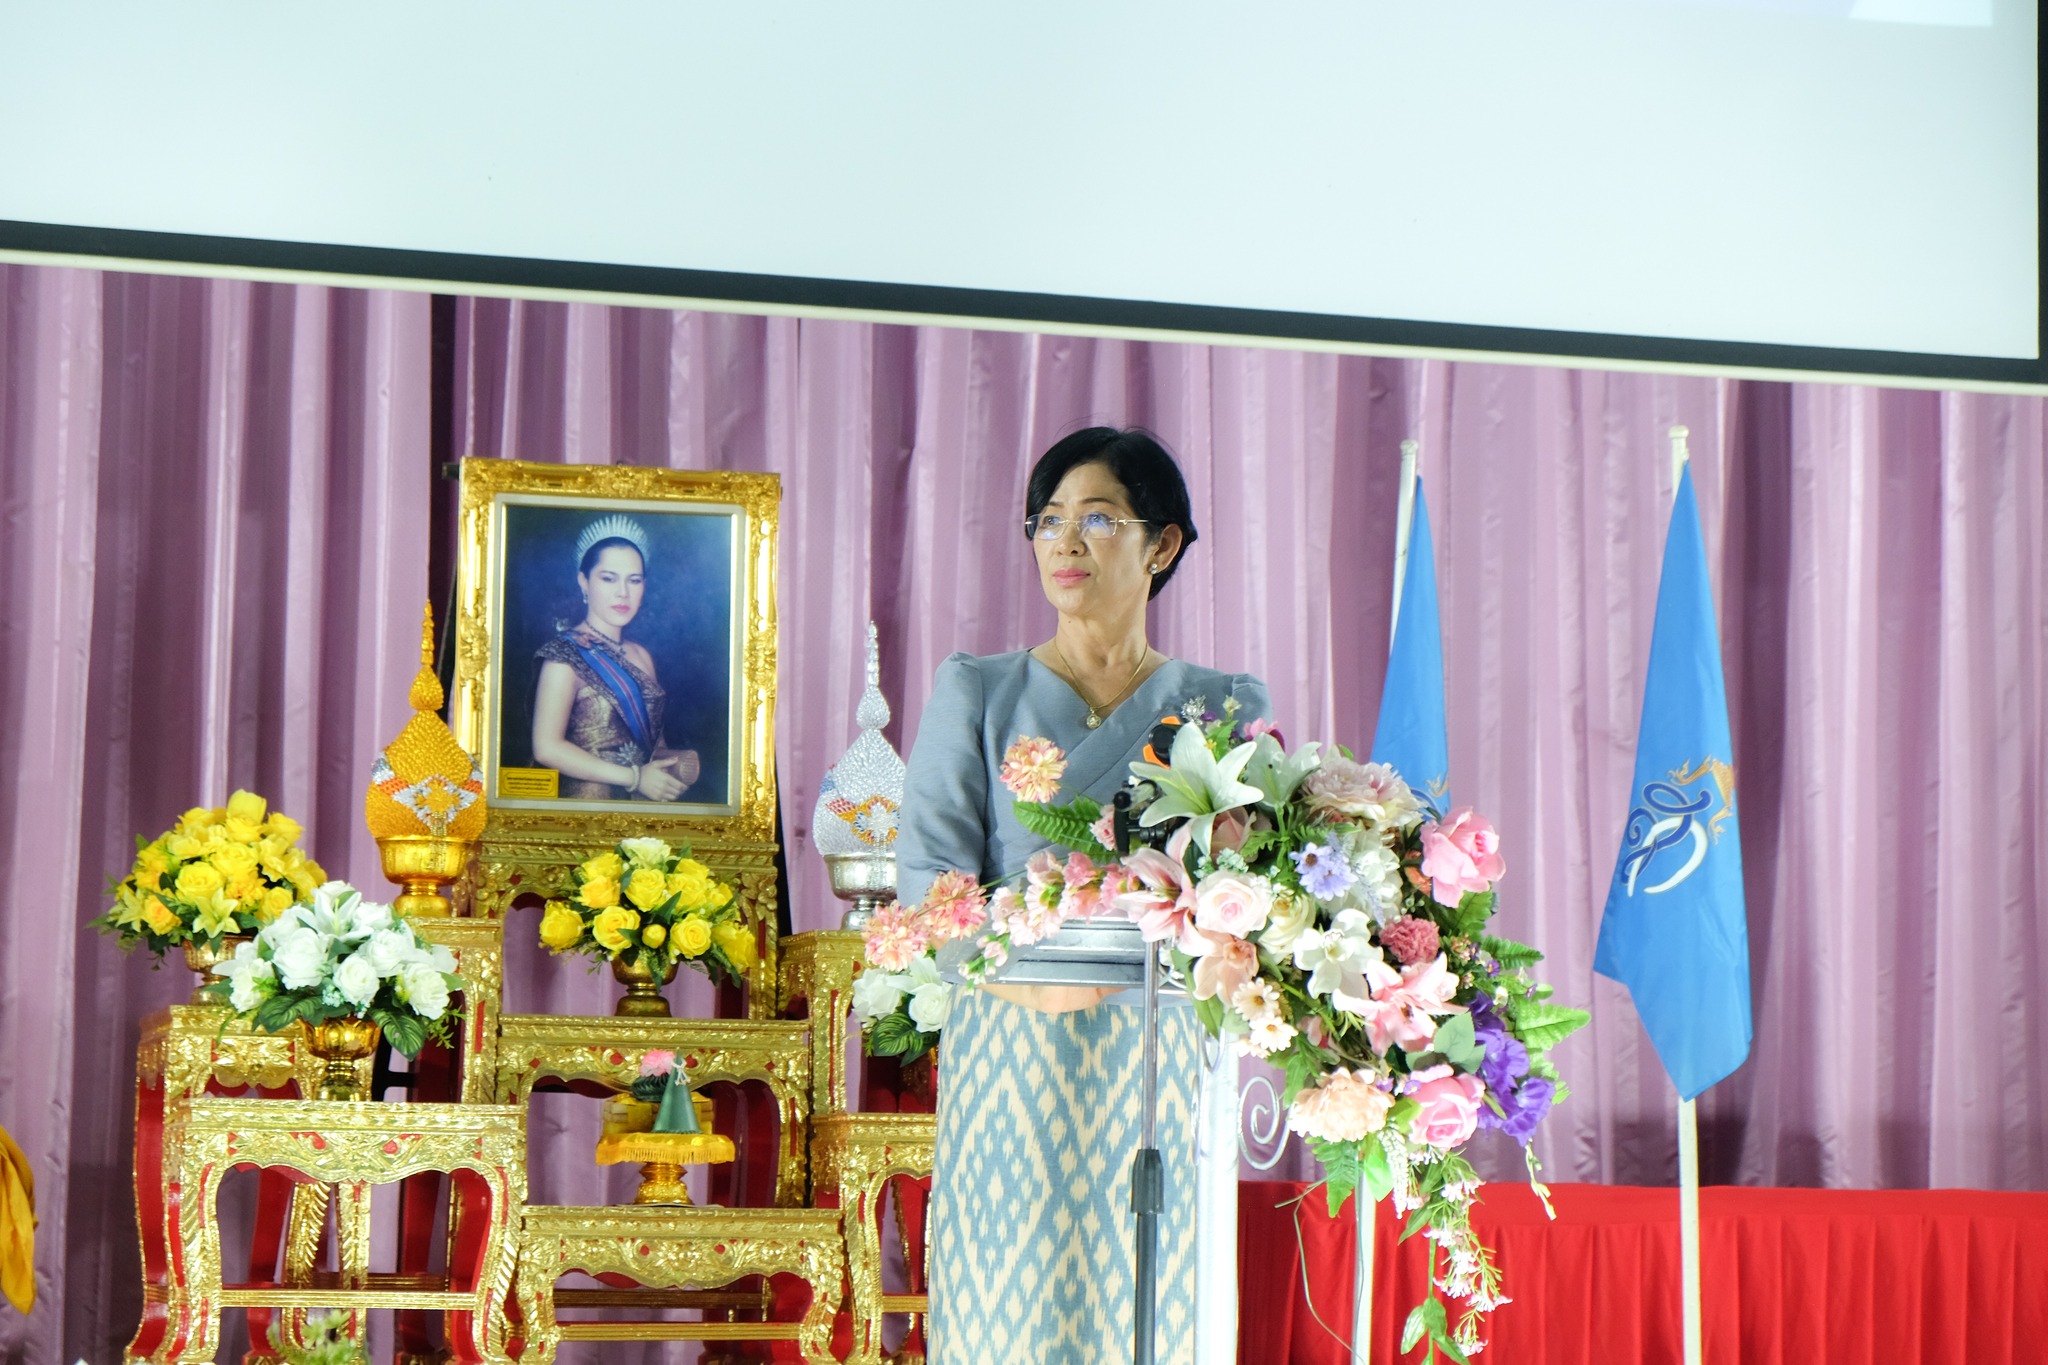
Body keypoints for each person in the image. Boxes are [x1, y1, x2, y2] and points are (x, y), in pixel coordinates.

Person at [898, 427, 1270, 1364]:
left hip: (1164, 1058)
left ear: (1162, 545)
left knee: (1152, 1303)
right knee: (1013, 1314)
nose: (1064, 542)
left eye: (1098, 518)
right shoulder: (978, 691)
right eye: (1048, 520)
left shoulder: (1218, 703)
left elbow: (1250, 888)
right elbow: (929, 888)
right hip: (1012, 1045)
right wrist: (1029, 980)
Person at [531, 515, 702, 801]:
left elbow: (652, 741)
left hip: (639, 812)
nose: (622, 592)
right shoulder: (563, 657)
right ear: (584, 582)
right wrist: (635, 778)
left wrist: (673, 767)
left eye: (633, 580)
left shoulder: (641, 656)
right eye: (608, 578)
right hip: (584, 812)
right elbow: (546, 747)